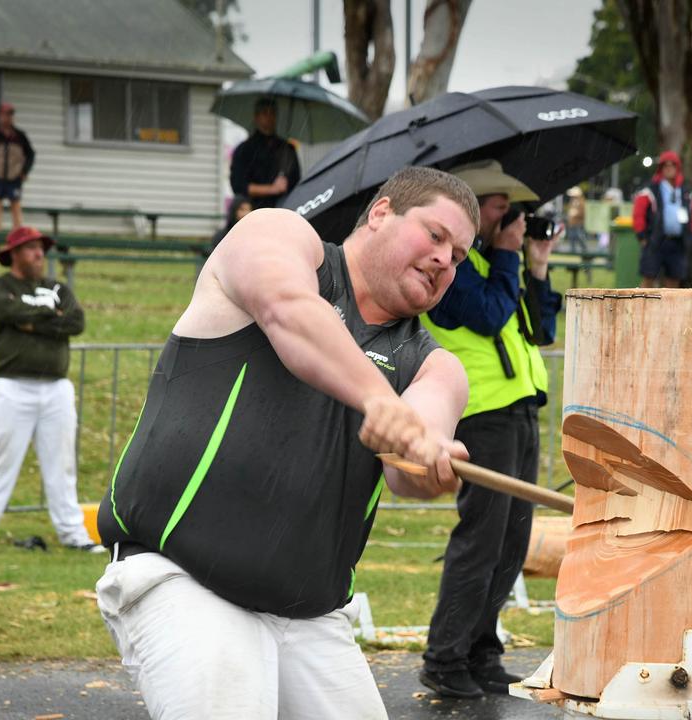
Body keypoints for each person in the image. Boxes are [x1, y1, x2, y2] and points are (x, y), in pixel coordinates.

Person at [94, 166, 478, 719]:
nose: (446, 260)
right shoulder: (276, 235)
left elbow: (411, 458)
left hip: (312, 616)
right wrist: (382, 404)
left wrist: (427, 459)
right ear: (381, 212)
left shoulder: (436, 365)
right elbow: (288, 310)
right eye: (435, 235)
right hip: (181, 580)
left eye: (459, 256)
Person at [419, 159, 562, 699]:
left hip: (519, 408)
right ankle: (444, 657)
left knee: (511, 540)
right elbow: (483, 316)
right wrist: (505, 255)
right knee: (480, 540)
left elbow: (538, 327)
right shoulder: (450, 268)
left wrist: (537, 265)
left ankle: (481, 650)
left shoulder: (493, 260)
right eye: (502, 209)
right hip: (481, 412)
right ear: (474, 211)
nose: (513, 220)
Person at [0, 226, 102, 554]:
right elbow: (1, 311)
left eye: (41, 248)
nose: (40, 254)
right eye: (32, 248)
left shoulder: (57, 287)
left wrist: (29, 322)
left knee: (62, 464)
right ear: (14, 254)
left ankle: (73, 534)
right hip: (11, 386)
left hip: (56, 388)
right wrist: (50, 317)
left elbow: (76, 322)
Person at [633, 150, 692, 288]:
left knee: (674, 282)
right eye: (665, 165)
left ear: (677, 168)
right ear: (661, 168)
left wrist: (691, 236)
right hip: (656, 241)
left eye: (672, 165)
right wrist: (642, 236)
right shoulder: (651, 189)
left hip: (678, 243)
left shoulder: (685, 192)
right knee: (648, 279)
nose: (669, 168)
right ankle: (643, 308)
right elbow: (638, 213)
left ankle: (669, 310)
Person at [229, 97, 301, 209]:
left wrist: (285, 184)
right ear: (256, 117)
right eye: (264, 113)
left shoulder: (288, 149)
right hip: (254, 209)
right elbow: (239, 186)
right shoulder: (244, 150)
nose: (269, 117)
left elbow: (296, 183)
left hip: (282, 209)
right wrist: (272, 189)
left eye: (272, 113)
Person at [0, 102, 35, 231]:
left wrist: (25, 171)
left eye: (10, 115)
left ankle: (17, 239)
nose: (7, 118)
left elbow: (31, 154)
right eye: (5, 115)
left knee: (16, 208)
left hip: (15, 177)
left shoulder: (20, 136)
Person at [563, 186, 588, 253]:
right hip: (572, 222)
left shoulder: (582, 202)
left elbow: (583, 213)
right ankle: (572, 249)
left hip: (578, 222)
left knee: (579, 236)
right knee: (571, 236)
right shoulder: (572, 201)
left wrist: (575, 214)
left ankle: (584, 249)